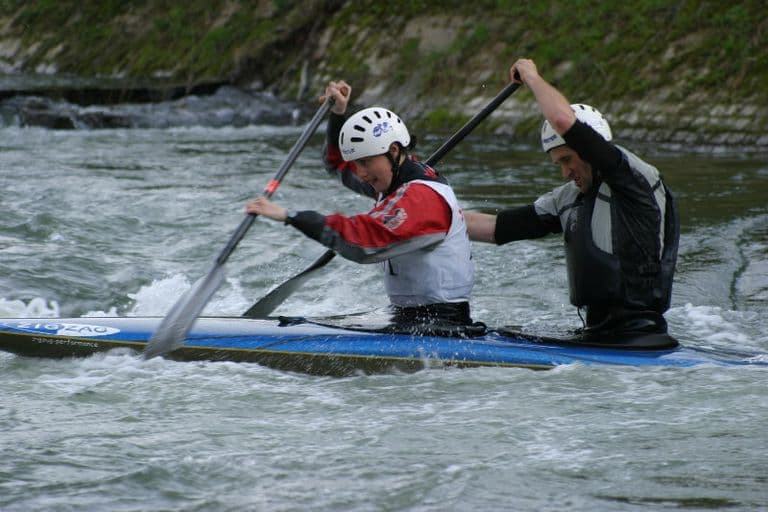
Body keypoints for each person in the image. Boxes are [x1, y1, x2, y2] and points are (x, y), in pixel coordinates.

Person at [465, 59, 679, 343]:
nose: (565, 172)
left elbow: (563, 121)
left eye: (568, 159)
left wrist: (531, 76)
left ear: (592, 149)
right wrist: (431, 212)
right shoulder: (567, 198)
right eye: (558, 164)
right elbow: (496, 228)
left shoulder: (633, 180)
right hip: (596, 334)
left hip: (639, 336)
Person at [246, 80, 475, 328]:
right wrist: (337, 115)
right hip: (409, 319)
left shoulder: (421, 198)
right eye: (357, 163)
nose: (361, 173)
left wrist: (291, 216)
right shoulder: (392, 182)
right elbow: (337, 165)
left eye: (365, 162)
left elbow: (365, 242)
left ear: (394, 150)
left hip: (443, 327)